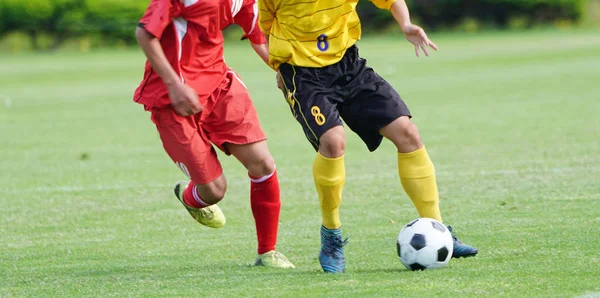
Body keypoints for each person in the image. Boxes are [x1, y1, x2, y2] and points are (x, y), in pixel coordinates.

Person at [257, 0, 478, 273]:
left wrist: (406, 24)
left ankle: (439, 229)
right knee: (333, 141)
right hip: (303, 76)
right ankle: (331, 236)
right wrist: (278, 68)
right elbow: (266, 26)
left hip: (349, 67)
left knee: (407, 133)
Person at [133, 0, 294, 269]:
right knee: (214, 191)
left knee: (263, 164)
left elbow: (260, 38)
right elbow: (145, 33)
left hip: (221, 86)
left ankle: (268, 252)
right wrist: (175, 85)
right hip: (172, 99)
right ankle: (190, 197)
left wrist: (286, 72)